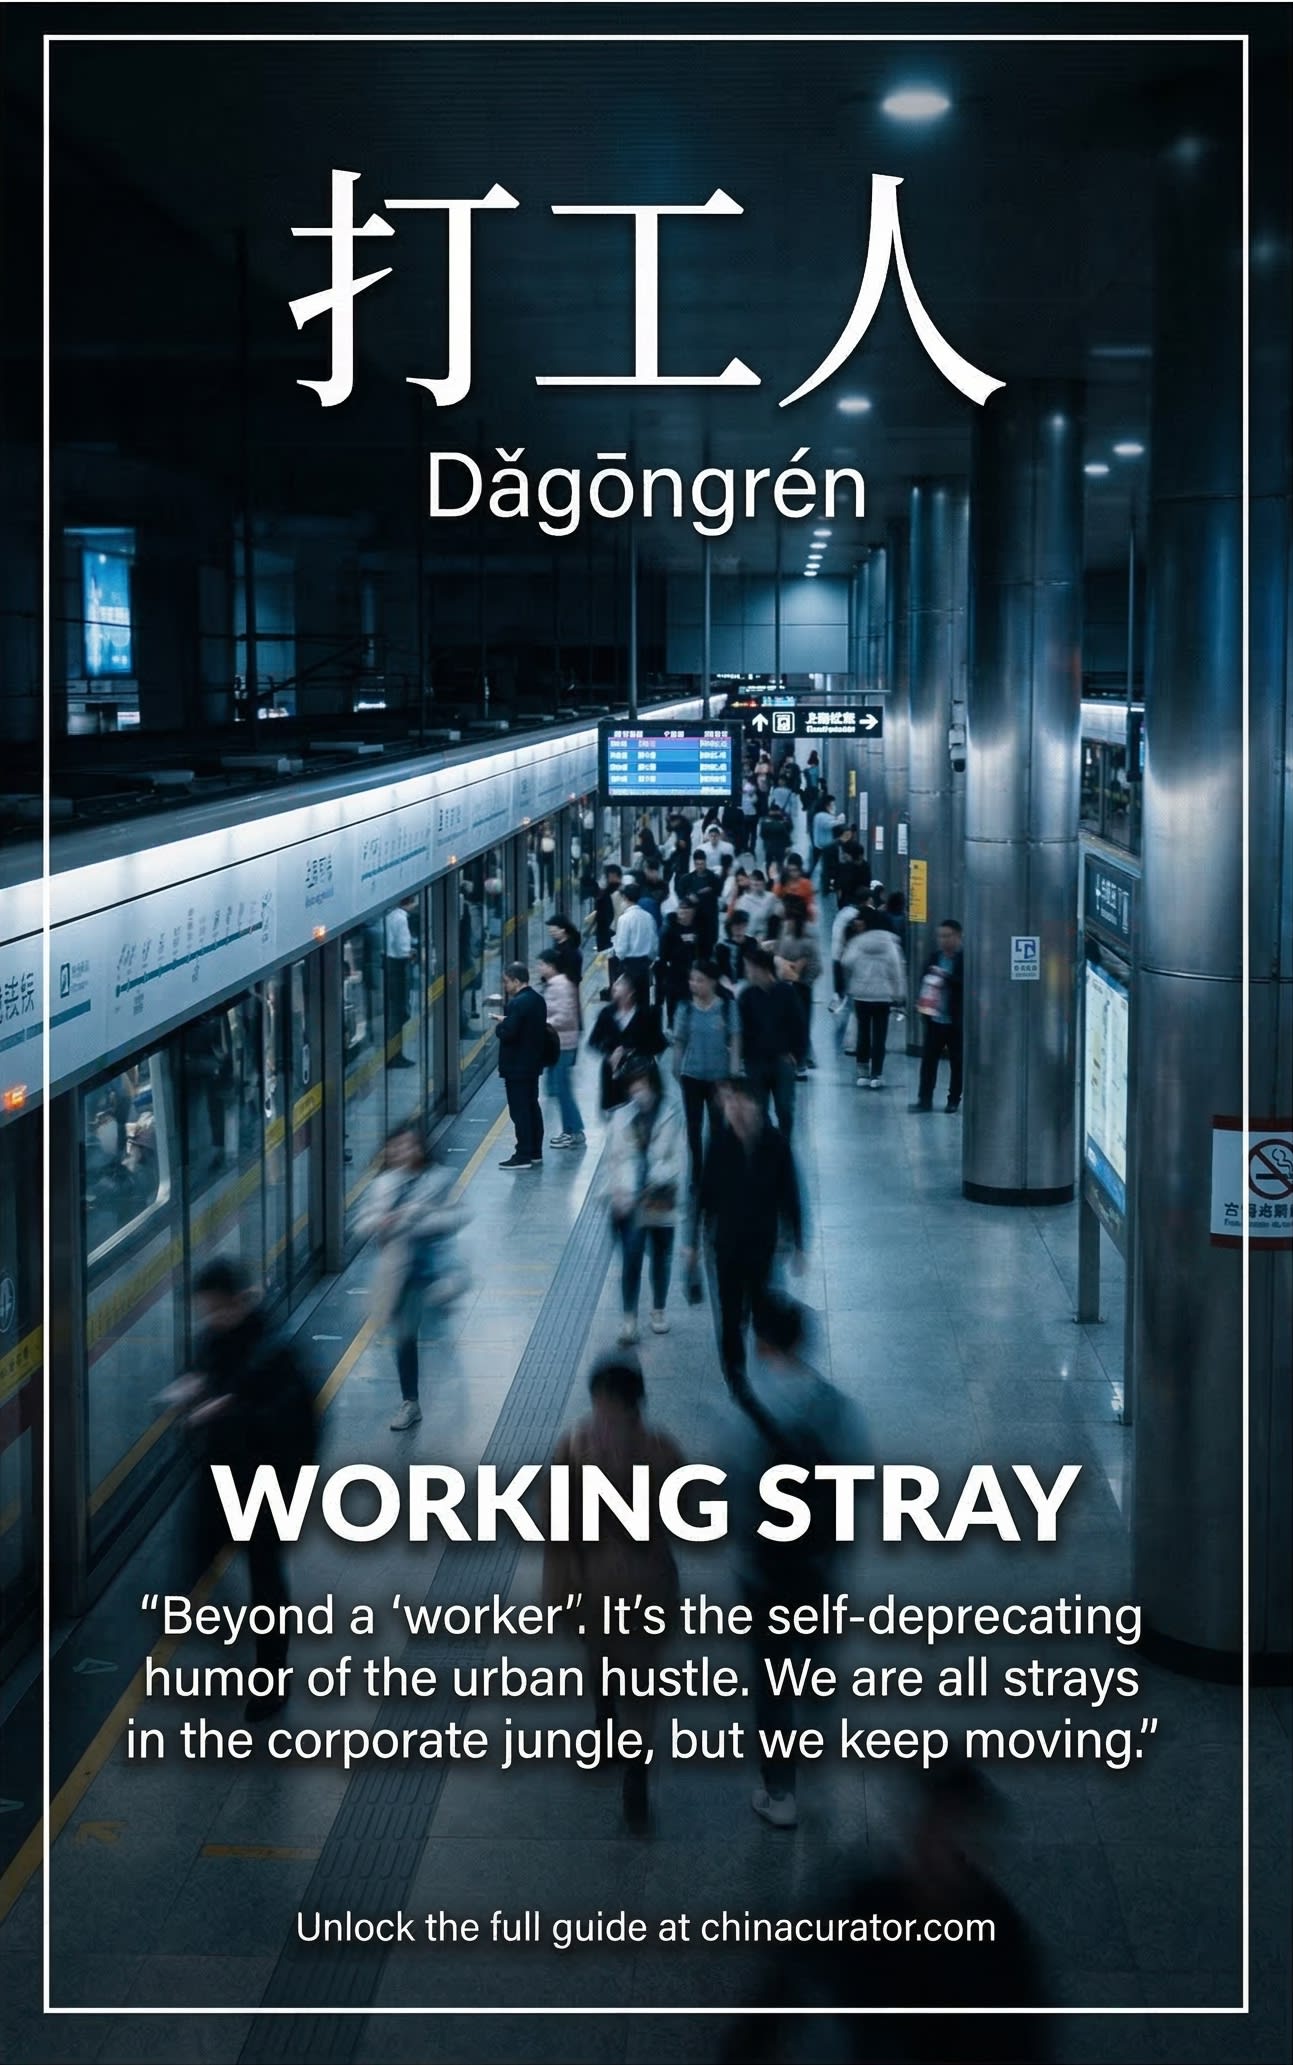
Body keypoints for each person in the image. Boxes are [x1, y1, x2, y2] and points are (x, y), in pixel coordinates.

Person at [718, 1757, 1050, 2063]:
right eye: (937, 1834)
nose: (944, 1855)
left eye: (957, 1840)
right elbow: (775, 2000)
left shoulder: (1004, 1951)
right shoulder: (862, 1903)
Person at [730, 1293, 859, 1827]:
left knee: (772, 1677)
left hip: (765, 1573)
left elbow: (727, 1496)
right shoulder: (836, 1407)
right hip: (820, 1569)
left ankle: (780, 1792)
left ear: (759, 1343)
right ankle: (821, 1747)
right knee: (816, 1662)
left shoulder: (745, 1413)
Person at [542, 1357, 685, 1833]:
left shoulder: (577, 1444)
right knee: (623, 1673)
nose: (603, 1413)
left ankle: (621, 1755)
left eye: (607, 1404)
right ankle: (621, 1750)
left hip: (608, 1584)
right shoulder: (660, 1449)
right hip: (635, 1583)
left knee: (624, 1676)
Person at [175, 1258, 317, 1721]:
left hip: (266, 1486)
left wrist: (225, 1411)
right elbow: (209, 1376)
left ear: (238, 1302)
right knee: (197, 1557)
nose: (210, 1320)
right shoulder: (215, 1339)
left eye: (216, 1310)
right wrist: (194, 1391)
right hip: (219, 1475)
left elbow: (293, 1425)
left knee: (266, 1582)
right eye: (205, 1312)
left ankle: (271, 1682)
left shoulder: (275, 1353)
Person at [694, 1077, 805, 1392]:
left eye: (742, 1104)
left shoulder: (775, 1144)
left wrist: (799, 1242)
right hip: (726, 1246)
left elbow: (790, 1193)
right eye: (730, 1104)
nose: (735, 1110)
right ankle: (736, 1378)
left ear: (758, 1108)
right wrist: (691, 1243)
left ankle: (764, 1368)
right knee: (730, 1316)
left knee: (760, 1309)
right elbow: (704, 1194)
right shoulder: (719, 1143)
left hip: (762, 1246)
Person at [357, 1125, 466, 1428]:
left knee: (433, 1332)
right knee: (405, 1337)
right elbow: (364, 1224)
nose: (402, 1153)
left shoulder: (439, 1179)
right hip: (400, 1273)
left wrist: (414, 1218)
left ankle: (444, 1388)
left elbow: (456, 1215)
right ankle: (411, 1401)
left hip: (434, 1269)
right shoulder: (382, 1185)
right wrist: (382, 1222)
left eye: (408, 1146)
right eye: (395, 1148)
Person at [605, 1059, 685, 1344]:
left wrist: (655, 1179)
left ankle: (658, 1310)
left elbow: (676, 1159)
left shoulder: (670, 1115)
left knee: (661, 1255)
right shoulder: (621, 1117)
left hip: (660, 1196)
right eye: (633, 1084)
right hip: (628, 1199)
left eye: (643, 1083)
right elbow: (615, 1159)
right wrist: (620, 1189)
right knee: (631, 1257)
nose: (638, 1090)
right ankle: (629, 1319)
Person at [672, 960, 740, 1195]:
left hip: (719, 1078)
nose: (694, 984)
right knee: (693, 1127)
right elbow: (679, 1040)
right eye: (692, 979)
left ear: (712, 981)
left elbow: (735, 1038)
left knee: (717, 1127)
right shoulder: (685, 1008)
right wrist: (677, 1068)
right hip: (691, 1076)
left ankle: (716, 1171)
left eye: (699, 980)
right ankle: (697, 1172)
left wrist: (733, 1072)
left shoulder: (726, 1007)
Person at [737, 947, 803, 1137]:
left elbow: (798, 1025)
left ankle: (784, 1145)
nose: (747, 972)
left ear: (761, 968)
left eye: (749, 967)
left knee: (784, 1108)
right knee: (759, 1109)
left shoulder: (785, 993)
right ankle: (767, 1148)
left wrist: (796, 1055)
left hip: (782, 1060)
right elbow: (741, 1029)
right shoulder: (747, 996)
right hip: (755, 1062)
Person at [842, 904, 907, 1090]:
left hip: (861, 995)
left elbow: (846, 962)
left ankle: (862, 1072)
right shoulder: (890, 944)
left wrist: (851, 982)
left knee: (863, 1033)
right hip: (882, 996)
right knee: (880, 1036)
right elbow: (896, 970)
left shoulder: (858, 942)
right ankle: (876, 1074)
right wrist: (898, 994)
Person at [587, 973, 667, 1115]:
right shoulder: (607, 1014)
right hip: (613, 1079)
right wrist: (610, 1053)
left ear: (631, 992)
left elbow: (659, 1044)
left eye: (619, 984)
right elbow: (593, 1042)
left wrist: (629, 1049)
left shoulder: (647, 1015)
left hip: (641, 1078)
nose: (614, 987)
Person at [493, 961, 549, 1167]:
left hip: (516, 1067)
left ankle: (523, 1153)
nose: (505, 986)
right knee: (532, 1106)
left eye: (507, 982)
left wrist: (501, 1026)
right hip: (532, 1065)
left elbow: (509, 1033)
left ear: (517, 981)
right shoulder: (537, 1000)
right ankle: (535, 1151)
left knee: (519, 1110)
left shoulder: (517, 1003)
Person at [911, 918, 965, 1114]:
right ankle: (924, 1099)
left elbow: (966, 985)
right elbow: (923, 980)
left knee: (957, 1062)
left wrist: (947, 978)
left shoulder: (964, 960)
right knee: (928, 1061)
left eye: (947, 935)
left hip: (955, 1020)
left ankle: (953, 1099)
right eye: (940, 936)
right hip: (934, 1018)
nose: (943, 940)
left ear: (958, 936)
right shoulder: (934, 957)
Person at [536, 948, 586, 1147]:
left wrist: (542, 1022)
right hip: (560, 1043)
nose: (539, 968)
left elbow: (564, 1016)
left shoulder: (560, 986)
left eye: (541, 964)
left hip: (563, 1045)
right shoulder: (557, 984)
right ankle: (573, 1129)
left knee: (562, 1088)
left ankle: (573, 1131)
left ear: (550, 966)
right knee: (559, 1088)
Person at [774, 901, 822, 1076]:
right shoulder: (786, 933)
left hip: (801, 987)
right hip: (790, 985)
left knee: (801, 1024)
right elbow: (777, 954)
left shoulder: (807, 940)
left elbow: (816, 965)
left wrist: (803, 980)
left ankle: (800, 1060)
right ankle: (795, 1059)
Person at [610, 879, 658, 1004]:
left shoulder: (624, 919)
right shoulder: (648, 917)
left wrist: (618, 957)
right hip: (644, 965)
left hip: (629, 966)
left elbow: (621, 949)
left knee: (628, 1001)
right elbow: (654, 944)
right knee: (643, 1001)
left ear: (625, 898)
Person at [656, 897, 702, 1027]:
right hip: (673, 971)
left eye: (687, 910)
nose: (683, 913)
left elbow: (697, 949)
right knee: (673, 1000)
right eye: (681, 910)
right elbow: (663, 952)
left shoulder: (695, 927)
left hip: (690, 970)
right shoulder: (670, 928)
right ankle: (672, 1024)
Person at [383, 899, 416, 1068]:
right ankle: (395, 1055)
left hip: (388, 965)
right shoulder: (401, 918)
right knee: (399, 1013)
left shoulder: (389, 916)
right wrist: (413, 954)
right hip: (398, 967)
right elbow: (403, 949)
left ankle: (394, 1053)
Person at [809, 791, 841, 889]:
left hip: (820, 845)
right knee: (823, 868)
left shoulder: (818, 815)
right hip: (824, 846)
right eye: (832, 804)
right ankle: (821, 886)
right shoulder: (822, 816)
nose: (834, 806)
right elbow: (829, 824)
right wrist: (839, 820)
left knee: (818, 867)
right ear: (827, 805)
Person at [546, 912, 583, 988]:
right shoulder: (559, 945)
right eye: (551, 932)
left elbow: (571, 975)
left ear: (562, 930)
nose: (551, 934)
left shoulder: (570, 950)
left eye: (554, 931)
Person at [594, 863, 624, 956]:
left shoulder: (611, 893)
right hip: (610, 933)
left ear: (612, 876)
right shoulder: (621, 891)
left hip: (608, 934)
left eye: (606, 876)